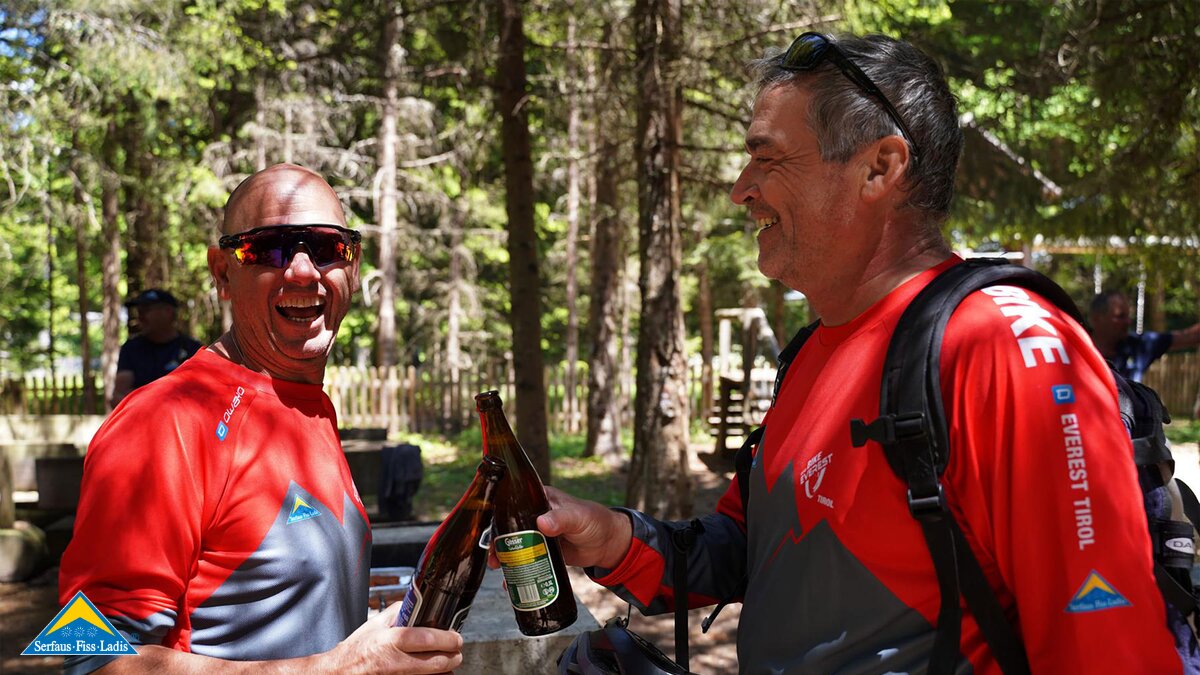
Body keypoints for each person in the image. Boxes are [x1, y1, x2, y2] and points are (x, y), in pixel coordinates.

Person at [536, 33, 1181, 673]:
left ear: (880, 168)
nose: (741, 188)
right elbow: (748, 549)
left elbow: (1110, 651)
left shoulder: (1001, 346)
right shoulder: (812, 351)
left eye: (768, 159)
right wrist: (609, 536)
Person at [59, 164, 462, 674]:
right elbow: (88, 658)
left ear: (352, 268)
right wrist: (334, 669)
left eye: (327, 247)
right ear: (223, 272)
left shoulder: (304, 403)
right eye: (268, 248)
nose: (302, 270)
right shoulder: (164, 422)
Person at [110, 288, 203, 407]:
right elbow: (119, 395)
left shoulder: (192, 349)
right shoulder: (131, 348)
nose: (140, 317)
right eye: (138, 312)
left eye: (146, 310)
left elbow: (201, 394)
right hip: (143, 421)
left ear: (168, 312)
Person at [1088, 290, 1200, 382]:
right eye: (1120, 316)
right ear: (1096, 319)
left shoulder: (1138, 346)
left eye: (1128, 316)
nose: (1128, 321)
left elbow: (1190, 336)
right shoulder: (1076, 350)